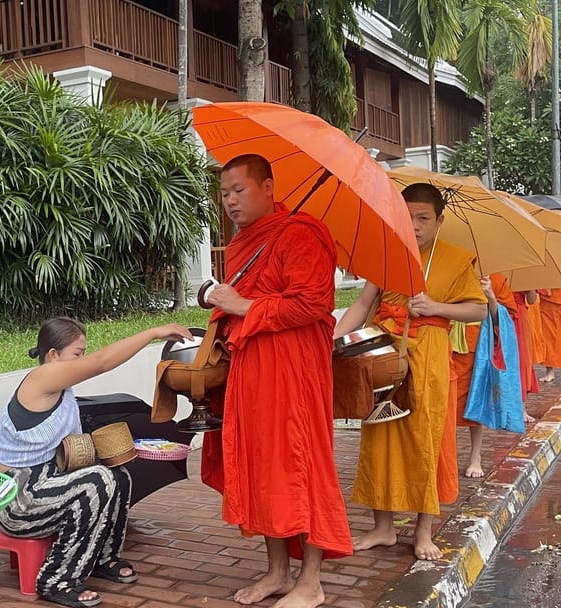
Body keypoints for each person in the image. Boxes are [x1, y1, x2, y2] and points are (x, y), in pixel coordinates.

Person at [200, 154, 352, 608]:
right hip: (252, 368)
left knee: (300, 464)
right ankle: (277, 572)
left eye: (238, 190)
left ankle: (312, 581)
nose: (229, 201)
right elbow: (244, 300)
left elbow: (313, 304)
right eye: (224, 193)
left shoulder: (301, 234)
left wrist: (244, 307)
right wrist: (226, 308)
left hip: (294, 370)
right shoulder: (247, 240)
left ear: (268, 188)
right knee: (261, 462)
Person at [0, 317, 192, 608]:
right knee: (97, 480)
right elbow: (100, 362)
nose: (82, 360)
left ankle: (102, 557)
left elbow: (70, 452)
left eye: (83, 353)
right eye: (77, 353)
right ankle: (56, 579)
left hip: (48, 483)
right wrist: (153, 332)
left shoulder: (62, 391)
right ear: (53, 356)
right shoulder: (40, 379)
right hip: (18, 500)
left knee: (118, 473)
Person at [335, 183, 486, 561]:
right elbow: (364, 303)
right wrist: (334, 339)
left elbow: (478, 310)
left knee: (426, 442)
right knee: (380, 436)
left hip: (429, 358)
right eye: (408, 217)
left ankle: (423, 532)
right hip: (386, 354)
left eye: (423, 218)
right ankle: (383, 527)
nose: (415, 226)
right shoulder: (388, 256)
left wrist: (437, 306)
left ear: (439, 220)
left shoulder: (455, 258)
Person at [450, 273, 516, 478]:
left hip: (476, 347)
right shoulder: (447, 270)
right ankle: (445, 458)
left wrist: (491, 297)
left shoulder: (494, 277)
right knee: (443, 406)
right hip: (445, 343)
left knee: (476, 402)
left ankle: (475, 456)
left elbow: (509, 317)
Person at [538, 288, 561, 383]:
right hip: (550, 297)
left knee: (549, 334)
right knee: (548, 334)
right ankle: (549, 370)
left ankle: (550, 372)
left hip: (551, 296)